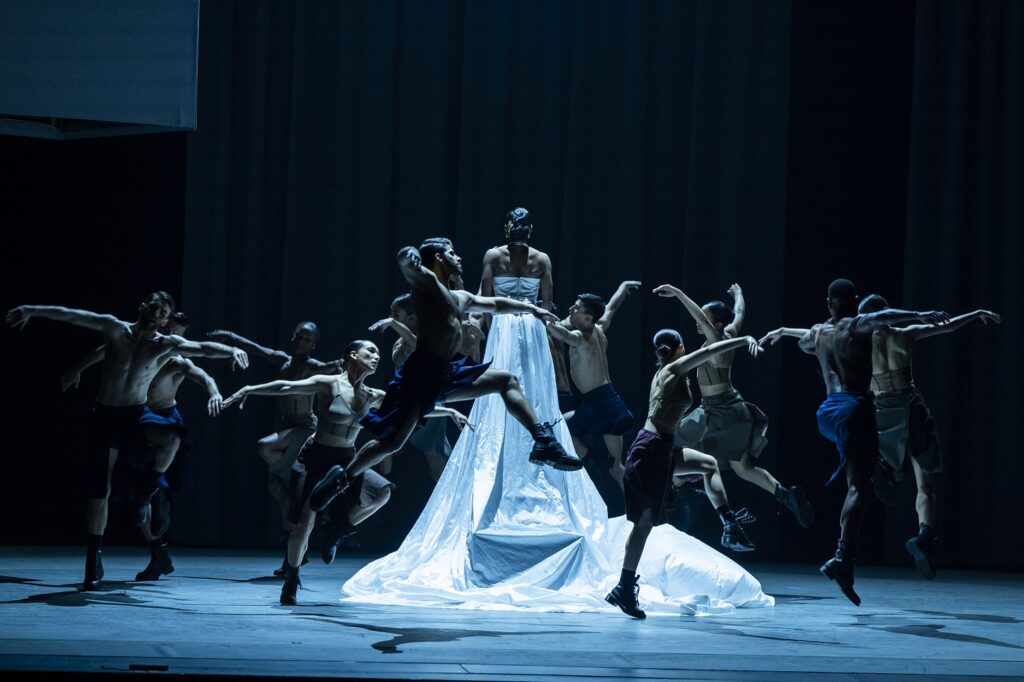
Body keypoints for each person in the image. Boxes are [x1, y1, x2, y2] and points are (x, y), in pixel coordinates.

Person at [307, 238, 580, 512]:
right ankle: (341, 479)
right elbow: (408, 264)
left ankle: (544, 442)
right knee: (392, 442)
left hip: (447, 370)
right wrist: (409, 257)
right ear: (438, 258)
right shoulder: (426, 283)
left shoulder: (459, 298)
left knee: (505, 380)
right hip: (421, 373)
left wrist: (532, 308)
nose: (459, 258)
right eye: (452, 253)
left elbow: (495, 304)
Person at [6, 293, 248, 590]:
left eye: (163, 312)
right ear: (143, 307)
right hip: (105, 415)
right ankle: (94, 558)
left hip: (136, 416)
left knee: (170, 440)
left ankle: (153, 491)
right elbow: (72, 314)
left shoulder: (166, 347)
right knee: (100, 491)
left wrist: (231, 350)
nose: (156, 313)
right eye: (154, 306)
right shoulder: (115, 329)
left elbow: (202, 351)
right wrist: (32, 309)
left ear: (164, 321)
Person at [759, 279, 948, 604]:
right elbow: (884, 318)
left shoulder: (819, 333)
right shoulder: (860, 326)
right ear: (855, 303)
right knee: (858, 488)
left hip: (827, 413)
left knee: (859, 465)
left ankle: (875, 466)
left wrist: (782, 331)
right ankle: (844, 557)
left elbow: (806, 340)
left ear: (828, 302)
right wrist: (921, 312)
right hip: (856, 407)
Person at [606, 330, 763, 619]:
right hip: (652, 449)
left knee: (707, 464)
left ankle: (728, 524)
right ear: (678, 348)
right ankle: (624, 587)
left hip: (660, 447)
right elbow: (707, 353)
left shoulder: (667, 371)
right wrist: (744, 340)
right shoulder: (674, 369)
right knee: (643, 525)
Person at [61, 311, 227, 581]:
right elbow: (104, 351)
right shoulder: (142, 346)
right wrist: (77, 368)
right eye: (168, 328)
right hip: (132, 420)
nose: (170, 336)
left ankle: (154, 503)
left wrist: (214, 390)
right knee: (116, 492)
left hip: (159, 426)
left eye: (177, 334)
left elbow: (200, 372)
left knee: (143, 497)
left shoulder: (175, 359)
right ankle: (156, 553)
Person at [859, 295, 1000, 579]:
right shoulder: (906, 333)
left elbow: (817, 336)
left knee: (873, 449)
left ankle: (880, 467)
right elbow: (948, 326)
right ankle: (923, 537)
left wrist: (786, 332)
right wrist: (976, 311)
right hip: (911, 407)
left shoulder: (857, 341)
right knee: (925, 486)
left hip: (884, 411)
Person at [656, 283, 814, 529]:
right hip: (732, 409)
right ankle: (786, 495)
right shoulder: (729, 333)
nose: (699, 322)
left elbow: (702, 319)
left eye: (706, 319)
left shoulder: (716, 341)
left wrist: (679, 294)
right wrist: (739, 295)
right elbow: (739, 314)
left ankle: (672, 495)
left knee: (671, 440)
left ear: (716, 325)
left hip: (716, 413)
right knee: (743, 468)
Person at [207, 322, 340, 561]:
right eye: (299, 336)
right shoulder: (283, 360)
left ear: (313, 344)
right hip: (287, 425)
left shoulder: (313, 366)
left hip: (306, 427)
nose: (301, 341)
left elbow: (330, 367)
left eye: (307, 339)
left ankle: (291, 486)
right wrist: (229, 335)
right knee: (285, 501)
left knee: (265, 447)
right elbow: (256, 348)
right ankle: (291, 555)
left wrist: (343, 363)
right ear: (292, 337)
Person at [546, 282, 641, 488]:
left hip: (599, 404)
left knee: (555, 428)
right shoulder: (599, 327)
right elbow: (612, 307)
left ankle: (592, 460)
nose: (571, 309)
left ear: (588, 317)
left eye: (576, 308)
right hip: (611, 401)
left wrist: (542, 318)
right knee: (617, 467)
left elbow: (561, 334)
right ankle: (641, 511)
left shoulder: (581, 337)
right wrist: (623, 288)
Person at [369, 294, 473, 482]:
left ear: (411, 318)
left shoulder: (426, 338)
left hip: (423, 401)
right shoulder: (401, 340)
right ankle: (379, 492)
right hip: (404, 400)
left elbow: (415, 344)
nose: (391, 316)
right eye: (391, 313)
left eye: (396, 314)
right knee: (383, 446)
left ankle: (449, 496)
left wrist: (392, 323)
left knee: (435, 457)